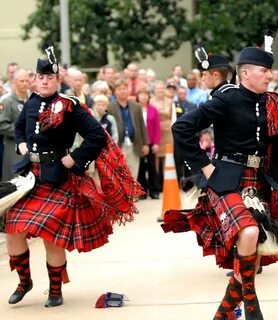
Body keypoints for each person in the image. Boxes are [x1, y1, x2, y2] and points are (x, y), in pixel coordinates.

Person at [161, 42, 278, 320]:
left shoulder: (271, 102)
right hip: (226, 178)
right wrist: (205, 168)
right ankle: (251, 306)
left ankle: (222, 314)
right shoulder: (227, 98)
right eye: (263, 71)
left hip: (256, 182)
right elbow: (182, 127)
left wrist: (272, 175)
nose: (269, 75)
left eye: (269, 71)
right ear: (245, 73)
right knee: (249, 233)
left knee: (256, 247)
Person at [4, 43, 143, 308]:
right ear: (35, 80)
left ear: (58, 79)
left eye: (49, 78)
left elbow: (96, 135)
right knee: (13, 228)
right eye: (40, 77)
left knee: (51, 236)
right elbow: (19, 128)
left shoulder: (69, 105)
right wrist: (20, 144)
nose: (44, 82)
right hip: (29, 179)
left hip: (57, 177)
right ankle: (25, 282)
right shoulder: (31, 102)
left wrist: (76, 158)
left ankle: (55, 289)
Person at [0, 69, 30, 181]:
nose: (25, 83)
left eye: (27, 80)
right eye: (22, 81)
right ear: (15, 82)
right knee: (15, 178)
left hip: (30, 146)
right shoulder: (7, 102)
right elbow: (1, 125)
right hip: (13, 146)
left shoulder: (32, 101)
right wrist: (21, 131)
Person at [136, 87, 161, 199]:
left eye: (146, 95)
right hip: (139, 142)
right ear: (138, 96)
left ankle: (154, 190)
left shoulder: (153, 110)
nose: (143, 97)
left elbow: (157, 128)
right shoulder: (135, 109)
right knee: (140, 167)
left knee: (151, 167)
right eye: (141, 94)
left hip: (151, 142)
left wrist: (156, 143)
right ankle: (142, 192)